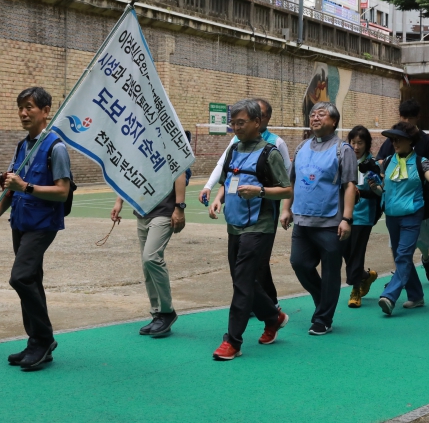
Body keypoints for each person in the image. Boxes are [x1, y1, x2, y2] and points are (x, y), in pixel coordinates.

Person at [0, 87, 73, 371]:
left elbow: (62, 192)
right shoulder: (22, 147)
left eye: (30, 107)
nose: (23, 113)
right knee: (32, 280)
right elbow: (10, 188)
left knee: (20, 278)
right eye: (20, 107)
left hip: (43, 223)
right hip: (20, 222)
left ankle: (44, 339)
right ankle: (36, 343)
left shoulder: (56, 147)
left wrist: (26, 187)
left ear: (45, 111)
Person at [207, 99, 293, 361]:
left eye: (240, 122)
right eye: (233, 123)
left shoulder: (270, 152)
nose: (235, 127)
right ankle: (273, 316)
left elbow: (288, 189)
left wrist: (260, 191)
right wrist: (218, 198)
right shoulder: (234, 151)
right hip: (235, 224)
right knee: (241, 279)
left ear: (257, 123)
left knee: (242, 281)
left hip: (260, 226)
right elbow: (228, 180)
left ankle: (232, 341)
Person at [281, 101, 357, 336]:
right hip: (302, 221)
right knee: (299, 264)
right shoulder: (301, 147)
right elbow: (291, 182)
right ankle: (322, 300)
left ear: (334, 121)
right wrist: (286, 209)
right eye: (313, 115)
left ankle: (323, 318)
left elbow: (350, 186)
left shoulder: (343, 150)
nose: (315, 118)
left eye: (321, 115)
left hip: (330, 223)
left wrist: (347, 219)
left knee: (331, 273)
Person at [110, 156, 189, 338]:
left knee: (151, 257)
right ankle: (157, 313)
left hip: (163, 211)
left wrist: (179, 207)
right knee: (146, 266)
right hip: (142, 211)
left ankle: (167, 311)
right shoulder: (136, 143)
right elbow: (127, 172)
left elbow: (180, 172)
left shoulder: (165, 142)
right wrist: (119, 201)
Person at [377, 122, 429, 315]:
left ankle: (389, 295)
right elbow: (385, 189)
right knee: (401, 256)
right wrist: (375, 187)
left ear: (411, 141)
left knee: (402, 255)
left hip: (412, 215)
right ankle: (416, 296)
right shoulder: (388, 161)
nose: (394, 142)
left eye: (398, 139)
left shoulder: (422, 161)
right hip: (392, 216)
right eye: (393, 139)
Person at [345, 125, 381, 308]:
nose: (356, 146)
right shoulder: (344, 161)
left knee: (356, 254)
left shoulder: (372, 165)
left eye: (360, 143)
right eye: (353, 142)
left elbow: (378, 193)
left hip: (363, 215)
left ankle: (355, 290)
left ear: (367, 145)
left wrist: (362, 192)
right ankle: (367, 277)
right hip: (345, 214)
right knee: (346, 251)